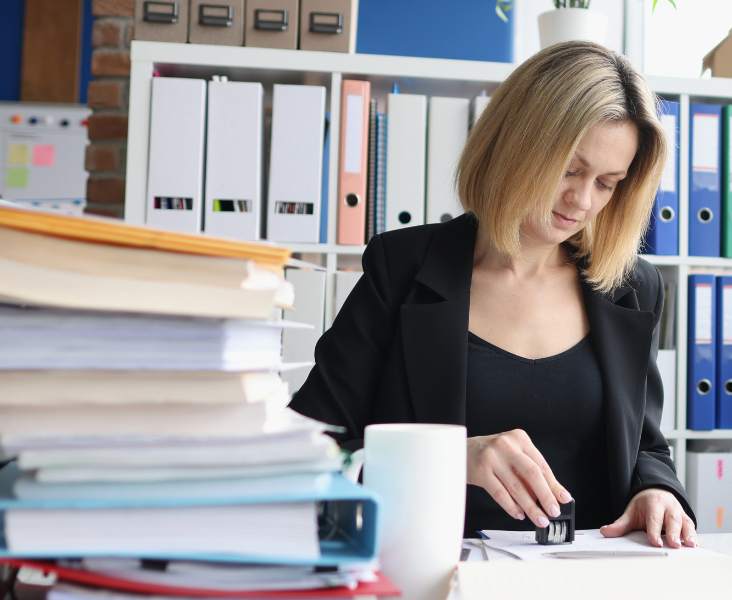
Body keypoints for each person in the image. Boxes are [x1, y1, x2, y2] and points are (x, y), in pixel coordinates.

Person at [289, 41, 697, 549]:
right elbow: (307, 449)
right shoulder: (401, 270)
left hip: (586, 581)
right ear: (516, 144)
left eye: (608, 183)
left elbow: (647, 447)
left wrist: (658, 491)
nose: (582, 200)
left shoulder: (632, 287)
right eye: (570, 169)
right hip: (430, 572)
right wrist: (448, 458)